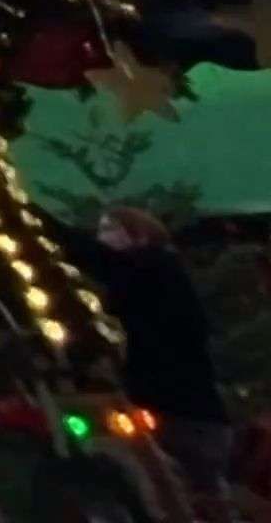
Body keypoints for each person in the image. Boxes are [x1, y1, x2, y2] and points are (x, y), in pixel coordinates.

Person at [60, 206, 231, 519]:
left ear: (137, 234)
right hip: (192, 411)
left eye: (110, 228)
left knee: (178, 498)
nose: (103, 236)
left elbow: (97, 258)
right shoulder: (162, 272)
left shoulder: (152, 267)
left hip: (180, 412)